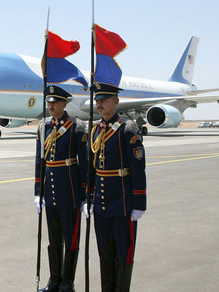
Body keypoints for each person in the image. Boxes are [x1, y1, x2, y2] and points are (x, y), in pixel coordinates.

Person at [84, 83, 147, 291]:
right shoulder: (95, 130)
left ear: (116, 102)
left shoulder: (127, 130)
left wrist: (139, 203)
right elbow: (92, 168)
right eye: (97, 100)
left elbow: (138, 169)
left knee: (123, 255)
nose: (99, 103)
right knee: (105, 254)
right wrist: (89, 198)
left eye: (104, 99)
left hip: (122, 204)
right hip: (102, 204)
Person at [34, 85, 87, 292]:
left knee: (71, 240)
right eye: (48, 102)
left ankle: (67, 282)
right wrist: (38, 192)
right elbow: (40, 162)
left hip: (70, 192)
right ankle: (54, 280)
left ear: (65, 104)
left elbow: (83, 164)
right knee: (53, 241)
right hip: (51, 194)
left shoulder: (76, 126)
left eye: (55, 102)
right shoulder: (43, 126)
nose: (51, 106)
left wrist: (85, 196)